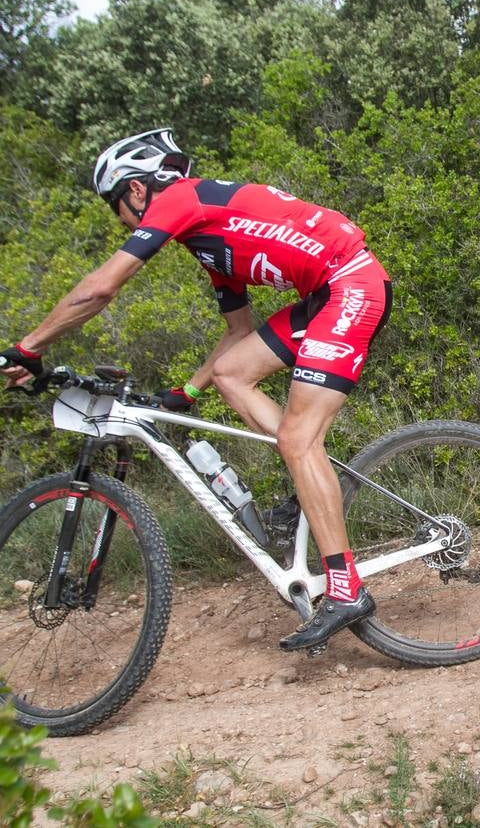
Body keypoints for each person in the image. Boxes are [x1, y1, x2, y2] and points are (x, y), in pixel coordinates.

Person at [0, 128, 392, 651]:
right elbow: (237, 334)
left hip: (350, 286)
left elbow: (100, 288)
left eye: (115, 204)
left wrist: (27, 347)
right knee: (232, 372)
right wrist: (185, 392)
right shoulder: (211, 242)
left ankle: (346, 591)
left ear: (137, 191)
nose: (118, 217)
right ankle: (310, 474)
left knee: (299, 438)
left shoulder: (182, 199)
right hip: (328, 294)